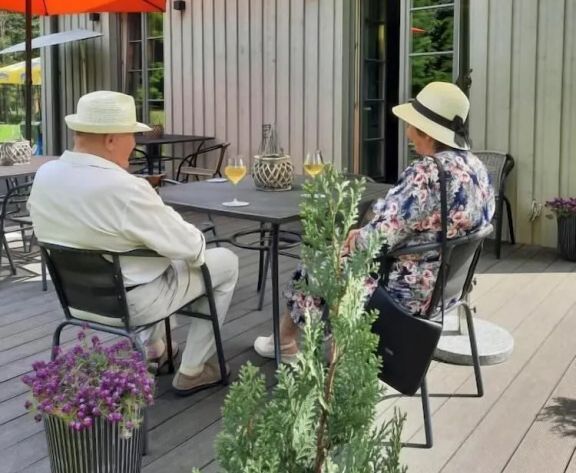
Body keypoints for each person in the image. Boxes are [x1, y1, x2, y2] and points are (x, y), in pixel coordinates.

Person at [254, 81, 495, 363]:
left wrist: (355, 237)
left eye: (412, 125)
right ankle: (331, 348)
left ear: (428, 132)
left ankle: (290, 344)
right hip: (447, 290)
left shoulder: (427, 173)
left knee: (317, 260)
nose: (408, 132)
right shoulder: (476, 168)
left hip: (404, 294)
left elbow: (377, 239)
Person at [29, 91, 239, 396]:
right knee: (224, 262)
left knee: (149, 260)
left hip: (76, 300)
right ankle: (192, 370)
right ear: (111, 139)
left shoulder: (45, 175)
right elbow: (191, 246)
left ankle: (154, 349)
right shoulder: (125, 188)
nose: (135, 143)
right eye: (132, 135)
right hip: (131, 304)